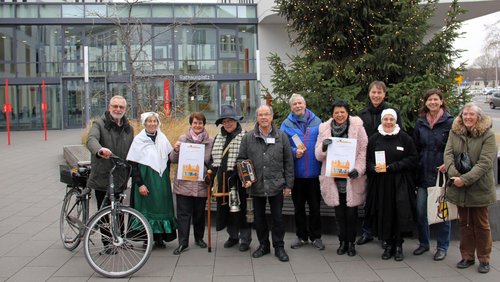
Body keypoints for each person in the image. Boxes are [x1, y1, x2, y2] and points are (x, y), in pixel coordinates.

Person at [444, 102, 497, 274]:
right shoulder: (455, 132)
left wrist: (464, 179)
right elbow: (448, 154)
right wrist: (454, 175)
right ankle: (467, 256)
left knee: (481, 225)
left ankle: (484, 258)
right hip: (459, 186)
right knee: (465, 223)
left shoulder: (487, 135)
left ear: (478, 117)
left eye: (471, 114)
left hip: (479, 187)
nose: (467, 117)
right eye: (464, 114)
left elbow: (485, 163)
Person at [238, 105, 294, 262]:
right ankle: (263, 245)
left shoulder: (281, 136)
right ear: (257, 117)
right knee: (259, 219)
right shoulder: (248, 137)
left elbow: (288, 162)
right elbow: (241, 159)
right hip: (256, 186)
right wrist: (245, 178)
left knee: (278, 218)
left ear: (272, 117)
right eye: (260, 115)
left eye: (266, 114)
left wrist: (288, 185)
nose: (263, 117)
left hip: (277, 185)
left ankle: (279, 247)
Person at [315, 100, 368, 256]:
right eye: (336, 112)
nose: (339, 115)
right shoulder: (324, 129)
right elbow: (317, 155)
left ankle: (351, 243)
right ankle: (342, 242)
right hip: (333, 179)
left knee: (351, 214)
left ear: (347, 112)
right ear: (332, 114)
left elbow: (363, 151)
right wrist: (323, 146)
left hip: (351, 178)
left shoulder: (357, 127)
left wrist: (358, 170)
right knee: (339, 215)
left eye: (342, 112)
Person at [365, 108, 417, 261]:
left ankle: (399, 245)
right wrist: (372, 167)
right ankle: (388, 245)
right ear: (381, 121)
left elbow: (413, 158)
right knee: (384, 213)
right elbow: (367, 160)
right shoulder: (374, 138)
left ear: (396, 121)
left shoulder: (404, 138)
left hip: (399, 183)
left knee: (399, 213)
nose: (388, 122)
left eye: (391, 119)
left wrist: (395, 166)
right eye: (385, 119)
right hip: (381, 184)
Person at [357, 80, 403, 246]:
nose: (376, 95)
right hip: (369, 163)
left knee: (386, 201)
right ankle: (367, 231)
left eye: (379, 92)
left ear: (384, 94)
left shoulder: (393, 112)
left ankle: (384, 233)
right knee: (369, 200)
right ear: (369, 94)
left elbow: (400, 136)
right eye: (373, 92)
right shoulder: (361, 115)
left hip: (388, 165)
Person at [86, 95, 134, 253]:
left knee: (119, 211)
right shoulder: (99, 124)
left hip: (120, 176)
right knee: (105, 211)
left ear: (125, 109)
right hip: (103, 175)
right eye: (115, 106)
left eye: (121, 107)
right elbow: (91, 139)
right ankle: (107, 243)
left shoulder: (128, 127)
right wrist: (99, 150)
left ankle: (120, 239)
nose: (118, 109)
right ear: (109, 107)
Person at [412, 89, 453, 261]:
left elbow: (456, 147)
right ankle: (424, 243)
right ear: (426, 102)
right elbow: (416, 146)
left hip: (441, 174)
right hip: (423, 172)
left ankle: (442, 246)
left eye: (436, 99)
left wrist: (449, 163)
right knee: (421, 212)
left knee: (443, 212)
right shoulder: (421, 122)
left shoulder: (450, 122)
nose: (433, 102)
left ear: (441, 101)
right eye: (430, 99)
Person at [126, 112, 177, 248]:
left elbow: (169, 158)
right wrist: (140, 184)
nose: (152, 124)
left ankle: (160, 238)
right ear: (145, 123)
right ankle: (147, 238)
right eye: (149, 121)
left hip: (161, 180)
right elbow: (134, 164)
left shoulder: (162, 138)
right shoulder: (139, 140)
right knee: (146, 207)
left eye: (155, 121)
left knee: (161, 206)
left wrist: (177, 150)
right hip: (146, 179)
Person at [280, 94, 324, 250]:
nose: (297, 106)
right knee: (298, 208)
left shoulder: (318, 122)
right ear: (291, 107)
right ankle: (301, 236)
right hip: (296, 175)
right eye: (294, 104)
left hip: (314, 174)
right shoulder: (286, 124)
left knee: (315, 207)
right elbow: (282, 146)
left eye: (300, 103)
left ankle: (316, 237)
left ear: (305, 104)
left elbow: (322, 144)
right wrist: (293, 151)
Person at [169, 112, 214, 255]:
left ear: (204, 124)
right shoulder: (183, 139)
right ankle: (183, 242)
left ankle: (199, 238)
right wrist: (176, 150)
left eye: (200, 123)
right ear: (191, 124)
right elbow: (173, 159)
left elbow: (212, 161)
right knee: (183, 214)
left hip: (201, 183)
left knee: (199, 213)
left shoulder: (210, 141)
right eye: (195, 123)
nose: (197, 125)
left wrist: (210, 172)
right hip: (184, 183)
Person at [211, 105, 252, 252]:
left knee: (241, 210)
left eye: (231, 120)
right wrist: (211, 173)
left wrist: (243, 176)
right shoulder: (218, 137)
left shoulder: (245, 136)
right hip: (222, 178)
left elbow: (248, 158)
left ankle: (245, 239)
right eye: (225, 121)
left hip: (239, 179)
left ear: (236, 121)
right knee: (227, 210)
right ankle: (233, 236)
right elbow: (212, 158)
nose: (228, 123)